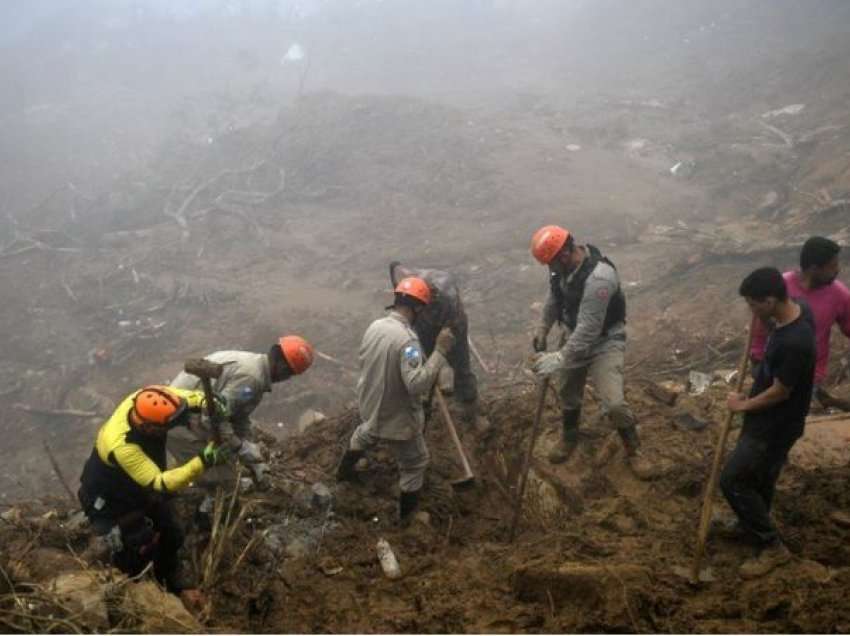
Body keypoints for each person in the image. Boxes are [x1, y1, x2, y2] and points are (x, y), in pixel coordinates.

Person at [78, 385, 230, 606]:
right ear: (150, 428)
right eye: (168, 425)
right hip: (109, 499)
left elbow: (178, 398)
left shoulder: (143, 400)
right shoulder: (123, 445)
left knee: (172, 534)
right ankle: (140, 594)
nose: (173, 427)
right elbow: (160, 482)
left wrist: (204, 402)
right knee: (134, 550)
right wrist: (203, 462)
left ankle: (171, 579)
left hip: (139, 488)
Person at [528, 225, 656, 479]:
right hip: (573, 334)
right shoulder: (561, 271)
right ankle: (570, 435)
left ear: (564, 254)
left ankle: (634, 450)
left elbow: (589, 329)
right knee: (567, 390)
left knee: (615, 403)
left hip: (604, 341)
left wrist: (559, 358)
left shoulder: (600, 278)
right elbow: (555, 297)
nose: (550, 270)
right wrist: (543, 327)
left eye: (551, 264)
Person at [336, 277, 456, 524]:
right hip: (395, 416)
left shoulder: (376, 326)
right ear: (418, 308)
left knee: (365, 433)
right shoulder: (408, 342)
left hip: (370, 403)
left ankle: (343, 474)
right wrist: (440, 352)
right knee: (416, 463)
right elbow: (416, 384)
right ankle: (408, 518)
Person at [721, 267, 815, 579]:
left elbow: (780, 392)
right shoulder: (799, 312)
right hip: (773, 421)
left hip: (773, 425)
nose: (751, 311)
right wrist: (763, 318)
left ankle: (770, 546)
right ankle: (750, 521)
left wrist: (742, 405)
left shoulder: (795, 342)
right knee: (761, 478)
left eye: (753, 304)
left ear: (771, 299)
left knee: (733, 480)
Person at [168, 336, 314, 487]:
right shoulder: (252, 380)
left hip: (189, 412)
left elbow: (238, 415)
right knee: (224, 480)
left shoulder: (255, 366)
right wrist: (241, 448)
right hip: (175, 419)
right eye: (290, 373)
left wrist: (251, 454)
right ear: (283, 367)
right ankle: (204, 505)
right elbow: (213, 418)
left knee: (229, 454)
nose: (287, 378)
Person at [750, 236, 850, 410]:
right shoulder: (780, 285)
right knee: (767, 415)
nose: (837, 270)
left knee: (789, 417)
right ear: (814, 268)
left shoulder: (840, 295)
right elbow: (760, 322)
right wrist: (757, 356)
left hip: (808, 373)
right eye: (832, 266)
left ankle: (819, 399)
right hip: (768, 364)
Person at [389, 261, 488, 432]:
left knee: (462, 368)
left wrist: (442, 347)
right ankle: (425, 407)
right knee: (423, 367)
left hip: (451, 326)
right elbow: (393, 267)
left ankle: (471, 411)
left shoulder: (446, 296)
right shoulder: (408, 282)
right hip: (422, 325)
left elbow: (452, 328)